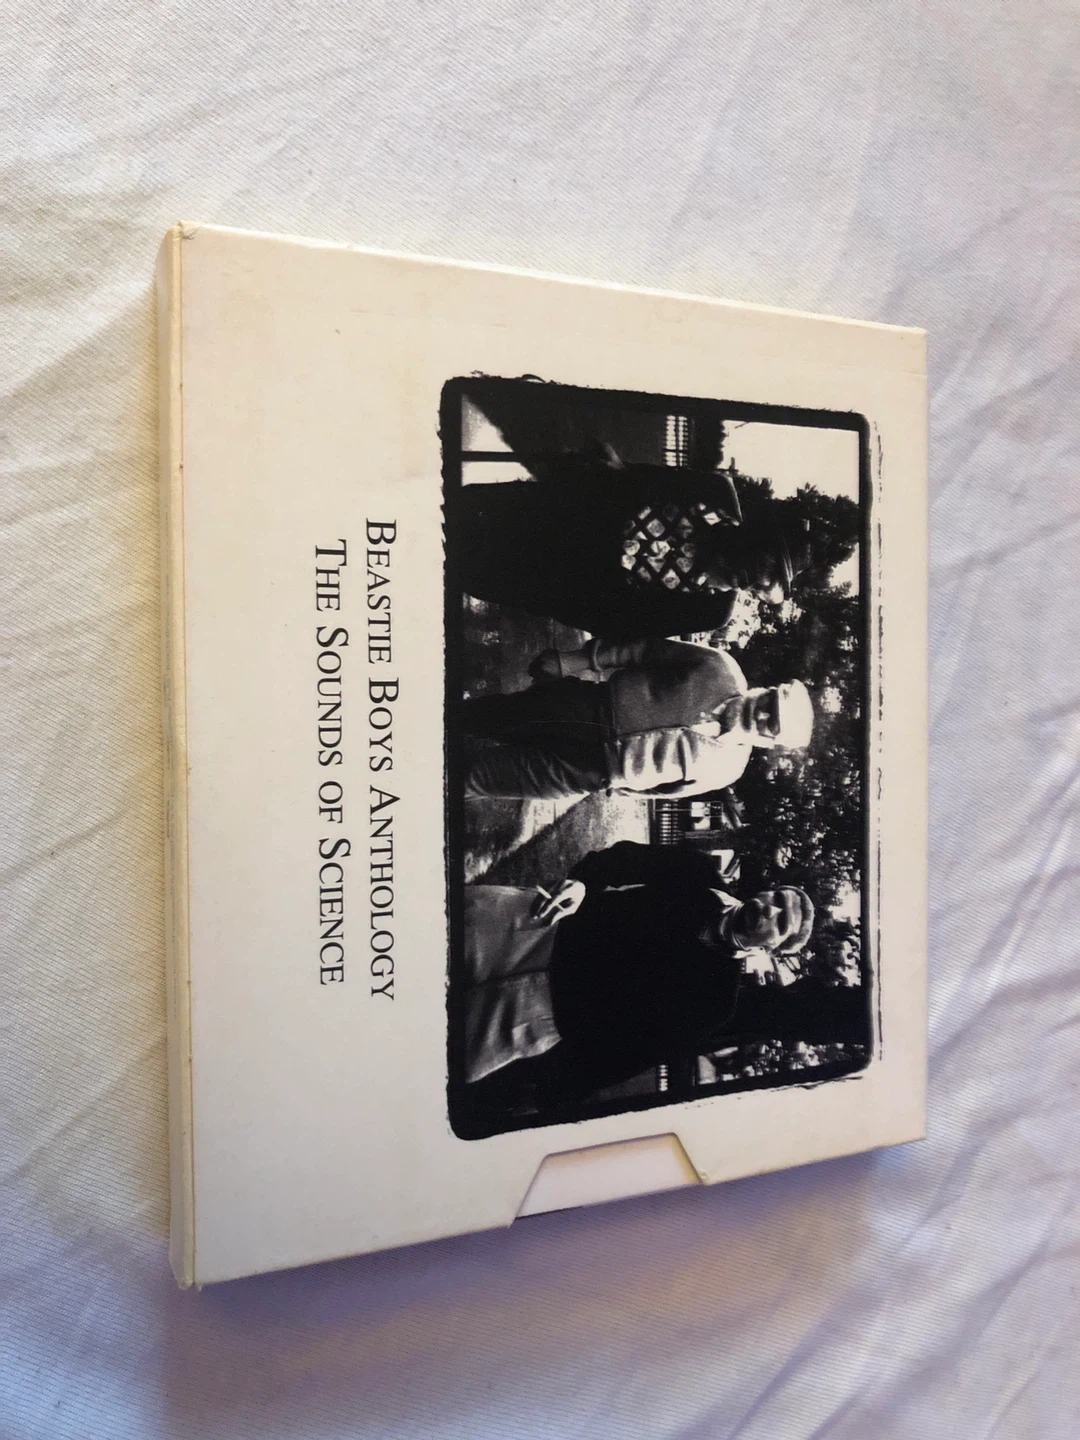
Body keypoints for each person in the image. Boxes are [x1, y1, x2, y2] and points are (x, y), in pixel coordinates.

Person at [460, 840, 815, 1094]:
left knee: (440, 1057)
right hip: (538, 925)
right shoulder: (698, 873)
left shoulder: (715, 1003)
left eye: (781, 921)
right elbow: (622, 859)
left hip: (532, 1017)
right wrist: (583, 884)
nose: (770, 909)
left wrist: (548, 1077)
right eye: (776, 898)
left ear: (773, 949)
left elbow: (624, 1057)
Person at [456, 458, 811, 640]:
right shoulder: (716, 491)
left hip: (557, 581)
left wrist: (559, 601)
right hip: (554, 513)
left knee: (461, 570)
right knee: (459, 508)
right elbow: (632, 476)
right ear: (752, 538)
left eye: (753, 587)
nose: (742, 584)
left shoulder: (714, 609)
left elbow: (624, 624)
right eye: (751, 570)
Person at [461, 637, 814, 799]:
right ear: (765, 688)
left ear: (769, 742)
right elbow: (645, 649)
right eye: (769, 700)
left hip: (590, 772)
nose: (761, 712)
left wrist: (621, 784)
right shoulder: (721, 668)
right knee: (481, 717)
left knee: (476, 778)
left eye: (771, 723)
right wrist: (575, 660)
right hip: (584, 706)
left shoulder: (729, 769)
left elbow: (668, 792)